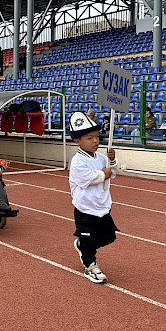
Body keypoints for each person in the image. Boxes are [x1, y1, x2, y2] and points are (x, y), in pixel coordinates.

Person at [68, 111, 119, 284]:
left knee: (108, 236)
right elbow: (86, 179)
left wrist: (113, 161)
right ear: (78, 141)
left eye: (97, 136)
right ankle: (90, 266)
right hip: (85, 208)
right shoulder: (77, 161)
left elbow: (113, 172)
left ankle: (83, 245)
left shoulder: (102, 158)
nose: (95, 141)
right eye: (90, 138)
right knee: (89, 239)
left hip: (102, 206)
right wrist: (103, 174)